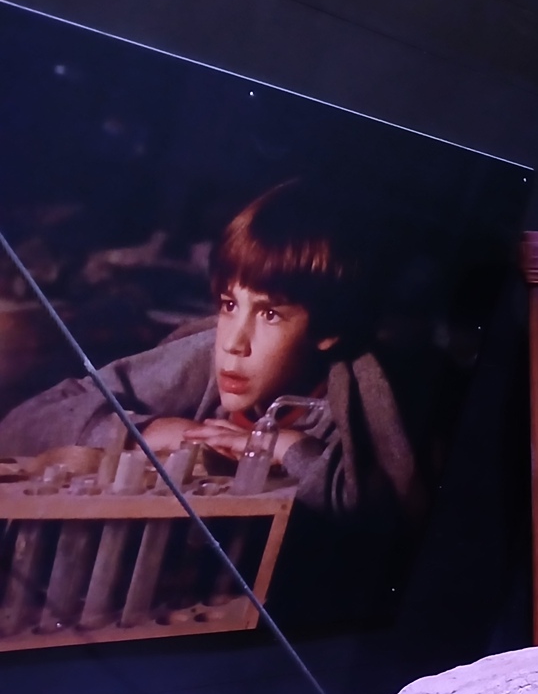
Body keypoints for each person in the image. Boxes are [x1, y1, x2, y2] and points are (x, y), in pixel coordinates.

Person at [0, 179, 426, 623]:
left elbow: (374, 512)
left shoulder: (354, 399)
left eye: (270, 314)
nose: (234, 342)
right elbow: (22, 423)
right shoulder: (208, 355)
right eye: (228, 304)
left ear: (330, 328)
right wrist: (148, 431)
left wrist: (287, 447)